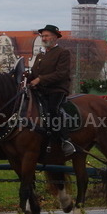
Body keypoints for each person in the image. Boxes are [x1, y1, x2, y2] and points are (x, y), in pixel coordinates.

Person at [28, 24, 75, 156]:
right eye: (42, 36)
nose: (43, 38)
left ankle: (64, 140)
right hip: (40, 90)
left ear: (55, 37)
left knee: (53, 110)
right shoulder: (40, 56)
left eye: (46, 35)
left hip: (56, 90)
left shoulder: (63, 53)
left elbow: (61, 74)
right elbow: (33, 73)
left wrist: (40, 79)